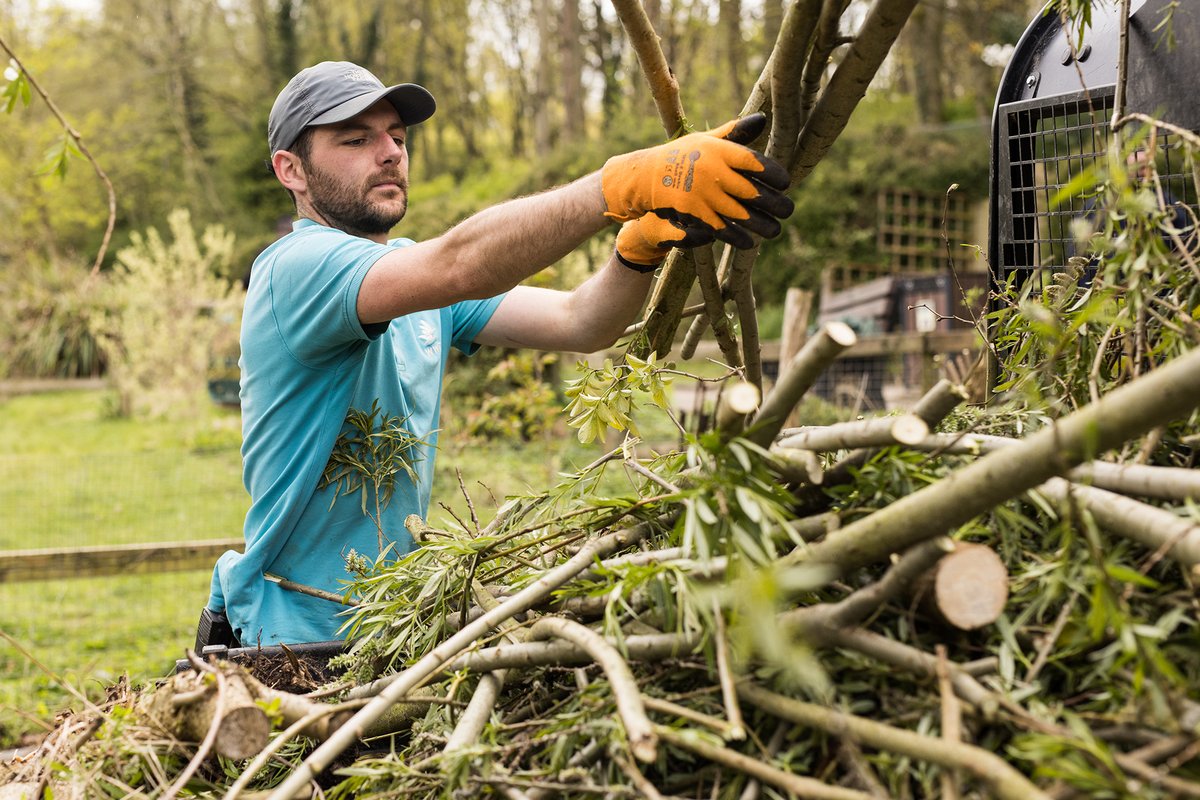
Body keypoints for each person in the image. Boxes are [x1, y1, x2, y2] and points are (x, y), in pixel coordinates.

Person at [199, 61, 794, 648]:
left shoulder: (413, 283)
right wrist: (622, 185)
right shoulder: (296, 269)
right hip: (291, 640)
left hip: (389, 624)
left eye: (397, 138)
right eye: (356, 139)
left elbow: (581, 321)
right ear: (291, 170)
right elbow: (459, 262)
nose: (390, 153)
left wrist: (635, 249)